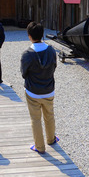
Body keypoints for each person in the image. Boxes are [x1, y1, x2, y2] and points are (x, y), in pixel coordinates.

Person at [21, 22, 59, 154]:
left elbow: (23, 73)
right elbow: (54, 67)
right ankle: (51, 139)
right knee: (49, 115)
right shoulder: (51, 50)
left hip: (33, 91)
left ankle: (39, 146)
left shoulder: (27, 53)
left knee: (35, 119)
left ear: (29, 36)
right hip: (48, 88)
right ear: (42, 34)